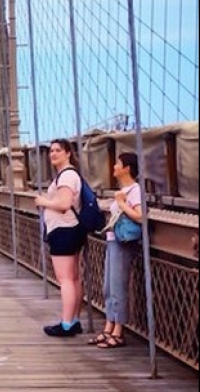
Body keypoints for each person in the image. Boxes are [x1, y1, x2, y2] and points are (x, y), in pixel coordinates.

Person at [89, 152, 143, 349]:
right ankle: (109, 326)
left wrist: (120, 203)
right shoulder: (124, 189)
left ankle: (118, 332)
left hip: (123, 241)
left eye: (118, 163)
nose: (114, 166)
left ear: (127, 168)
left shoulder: (135, 190)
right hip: (113, 239)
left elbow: (140, 216)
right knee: (109, 287)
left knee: (118, 286)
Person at [34, 138, 87, 337]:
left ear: (68, 153)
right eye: (51, 151)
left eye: (58, 150)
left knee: (65, 279)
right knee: (73, 278)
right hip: (71, 229)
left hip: (63, 230)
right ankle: (73, 320)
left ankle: (66, 324)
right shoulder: (71, 175)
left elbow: (64, 204)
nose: (53, 154)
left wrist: (43, 201)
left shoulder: (66, 176)